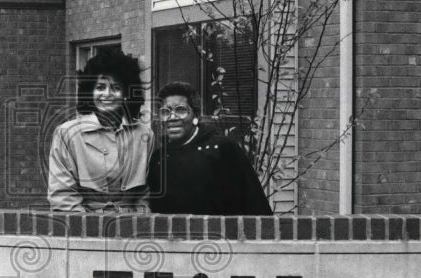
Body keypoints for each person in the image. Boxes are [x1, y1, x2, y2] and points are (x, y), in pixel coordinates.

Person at [48, 49, 153, 212]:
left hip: (132, 228)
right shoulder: (67, 134)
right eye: (100, 87)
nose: (107, 94)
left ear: (126, 93)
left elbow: (145, 196)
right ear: (90, 92)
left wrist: (138, 225)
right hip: (84, 229)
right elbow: (63, 198)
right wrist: (89, 231)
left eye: (115, 87)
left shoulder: (144, 135)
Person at [148, 81, 272, 216]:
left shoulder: (223, 150)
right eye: (165, 112)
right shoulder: (159, 159)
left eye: (181, 110)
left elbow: (254, 206)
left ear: (196, 116)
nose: (172, 117)